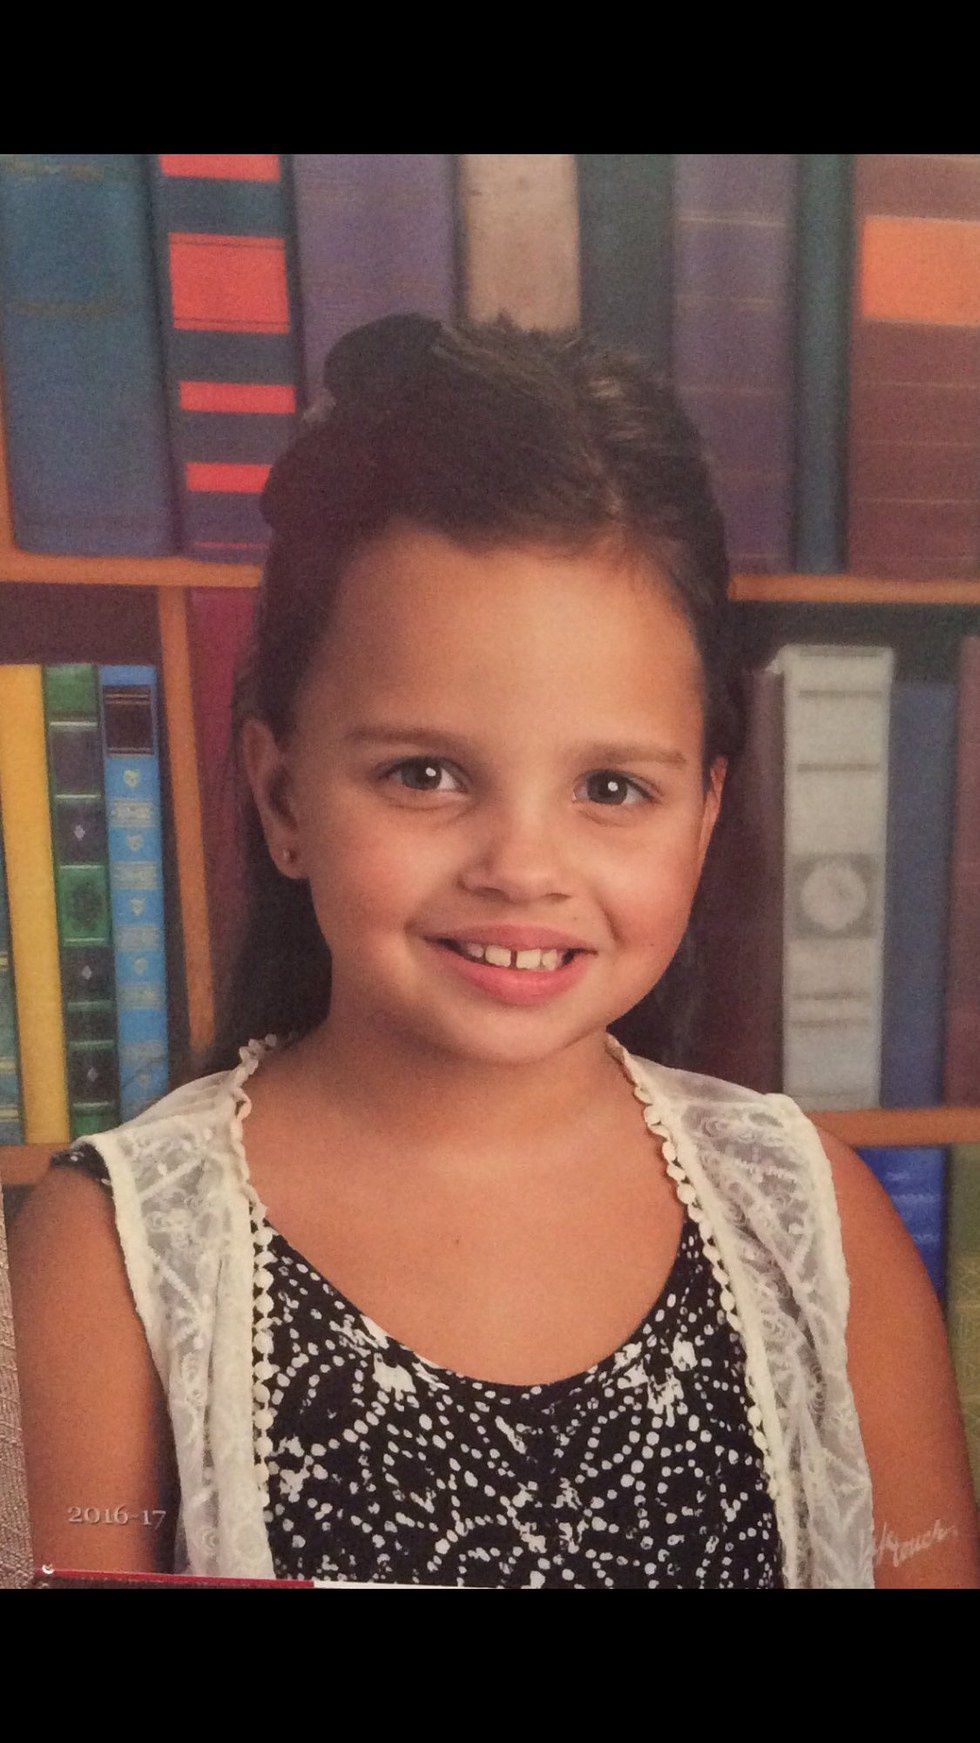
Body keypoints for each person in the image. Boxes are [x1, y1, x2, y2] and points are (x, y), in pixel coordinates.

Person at [9, 315, 979, 1589]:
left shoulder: (814, 1228)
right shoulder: (116, 1256)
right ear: (284, 797)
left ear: (702, 817)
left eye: (611, 789)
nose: (522, 867)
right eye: (425, 773)